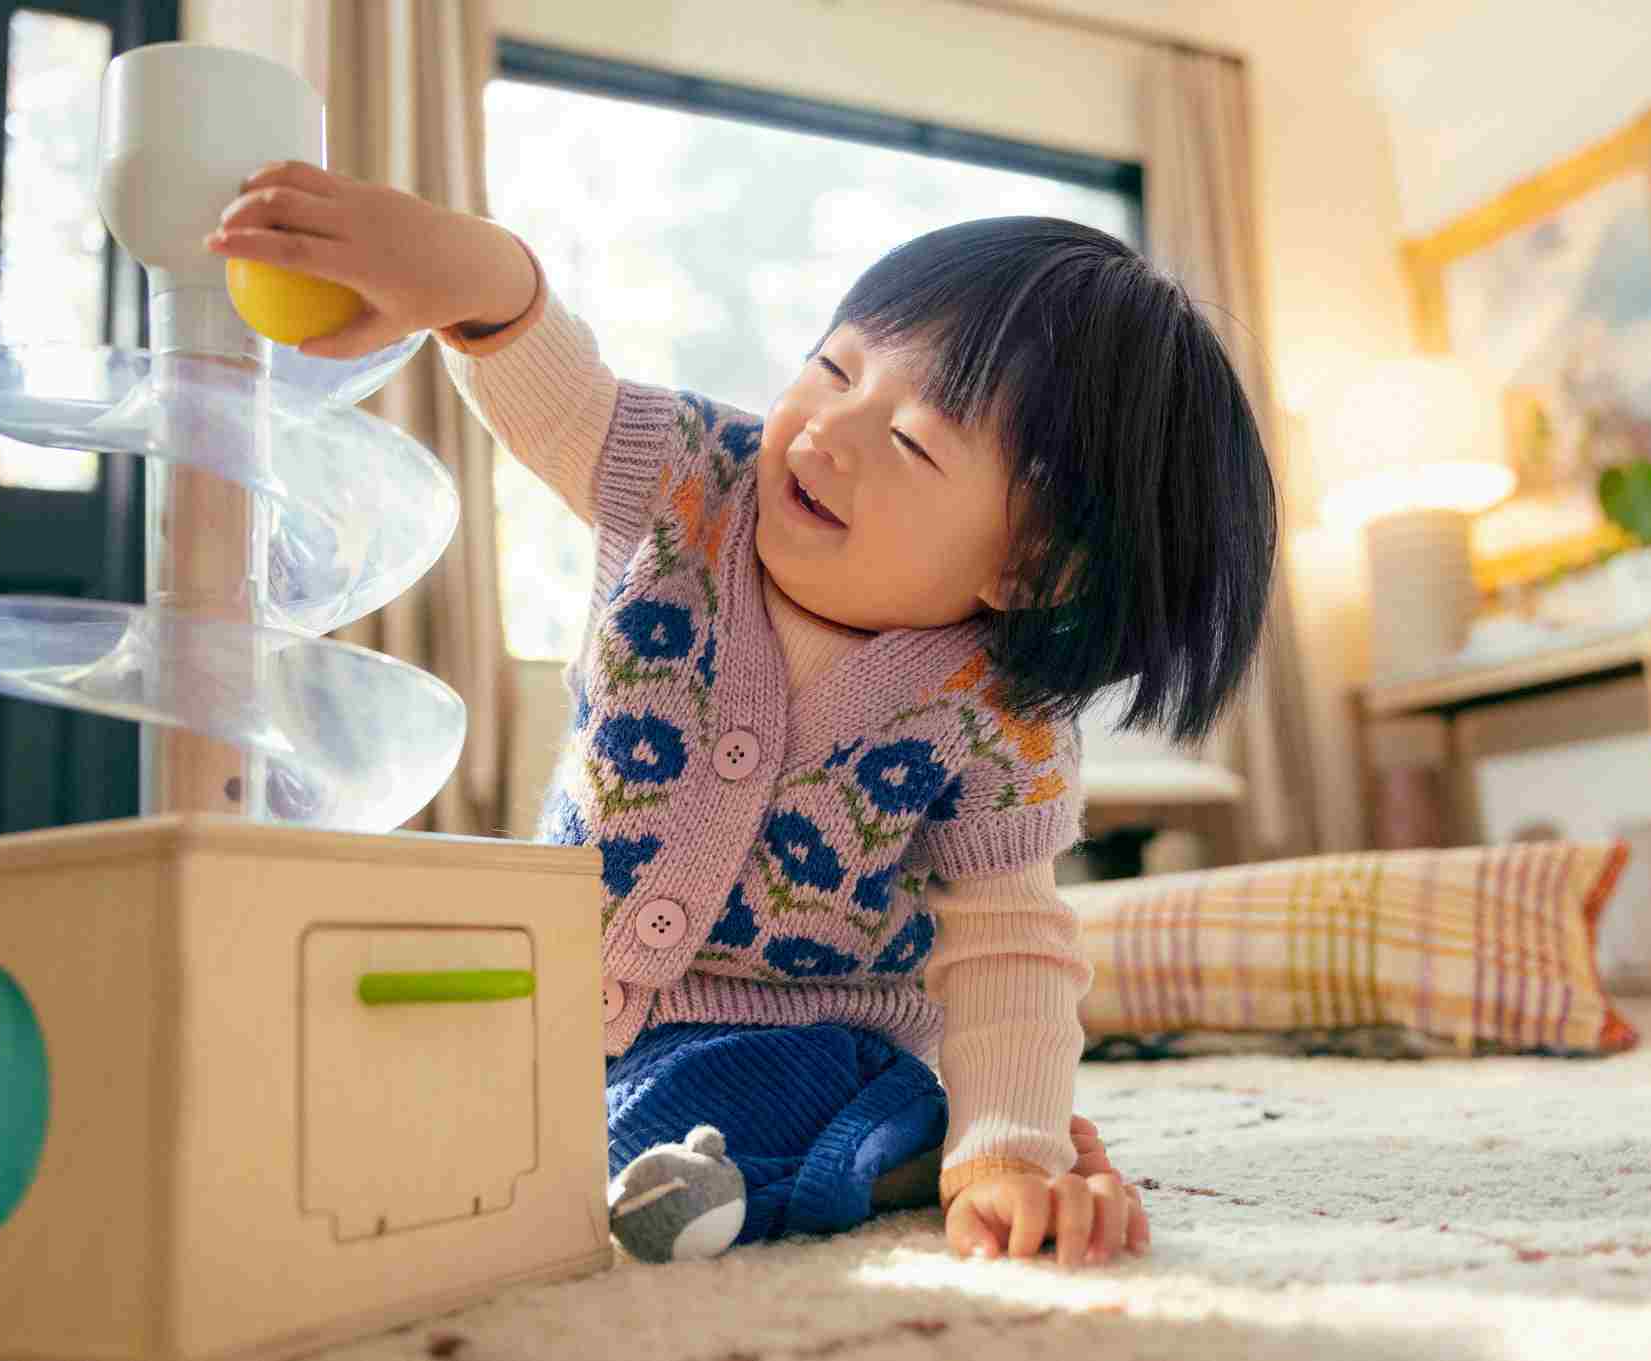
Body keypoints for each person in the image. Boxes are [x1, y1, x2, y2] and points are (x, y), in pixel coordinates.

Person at [207, 162, 1276, 1267]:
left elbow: (1011, 942)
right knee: (367, 1058)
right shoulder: (685, 481)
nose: (825, 434)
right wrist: (464, 272)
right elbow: (548, 369)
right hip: (555, 996)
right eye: (833, 368)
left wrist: (1007, 1145)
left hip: (793, 1039)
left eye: (909, 441)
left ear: (1032, 565)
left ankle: (892, 1143)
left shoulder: (999, 720)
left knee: (686, 1117)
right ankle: (836, 1156)